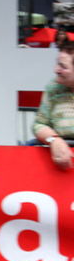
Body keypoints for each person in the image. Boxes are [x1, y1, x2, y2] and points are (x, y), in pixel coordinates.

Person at [33, 41, 74, 170]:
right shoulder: (53, 88)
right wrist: (54, 140)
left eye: (63, 66)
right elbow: (39, 124)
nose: (56, 70)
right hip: (61, 165)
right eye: (57, 63)